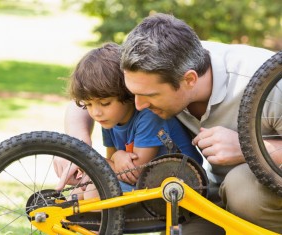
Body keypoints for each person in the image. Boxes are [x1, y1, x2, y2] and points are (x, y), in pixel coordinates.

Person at [61, 13, 282, 234]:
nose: (138, 105)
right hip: (209, 194)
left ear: (189, 80)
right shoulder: (150, 64)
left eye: (149, 95)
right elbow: (89, 90)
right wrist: (79, 145)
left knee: (240, 186)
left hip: (260, 193)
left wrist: (249, 147)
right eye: (132, 93)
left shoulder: (268, 83)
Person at [54, 42, 203, 197]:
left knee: (93, 191)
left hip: (183, 184)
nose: (96, 112)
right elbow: (113, 163)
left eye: (105, 103)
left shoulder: (148, 117)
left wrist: (92, 160)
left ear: (127, 93)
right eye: (89, 104)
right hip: (149, 183)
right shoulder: (108, 119)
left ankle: (107, 221)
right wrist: (114, 158)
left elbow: (135, 173)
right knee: (79, 191)